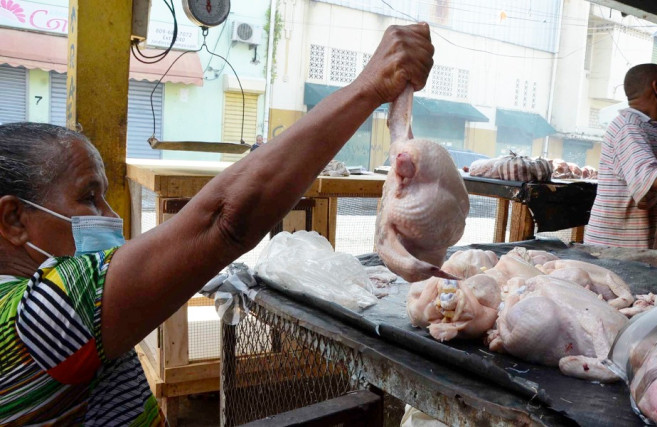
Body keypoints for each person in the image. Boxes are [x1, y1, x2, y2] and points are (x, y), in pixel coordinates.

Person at [0, 23, 433, 425]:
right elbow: (225, 221)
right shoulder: (39, 317)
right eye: (88, 198)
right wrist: (368, 87)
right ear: (14, 219)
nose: (111, 216)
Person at [583, 63, 657, 249]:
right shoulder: (628, 127)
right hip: (611, 249)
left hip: (628, 246)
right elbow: (652, 178)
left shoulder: (648, 127)